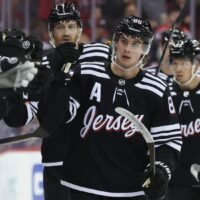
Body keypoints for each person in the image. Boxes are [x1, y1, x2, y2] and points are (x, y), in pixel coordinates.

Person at [40, 15, 182, 200]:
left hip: (132, 190)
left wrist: (161, 170)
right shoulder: (86, 74)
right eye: (124, 41)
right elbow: (60, 117)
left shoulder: (156, 89)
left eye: (136, 44)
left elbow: (169, 140)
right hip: (82, 187)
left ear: (145, 50)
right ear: (115, 42)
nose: (127, 49)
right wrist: (57, 82)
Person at [4, 2, 111, 200]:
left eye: (71, 26)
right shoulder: (41, 64)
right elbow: (24, 115)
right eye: (60, 27)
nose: (66, 32)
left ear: (80, 30)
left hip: (96, 161)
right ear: (51, 33)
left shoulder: (100, 54)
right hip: (57, 162)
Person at [165, 39, 200, 200]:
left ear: (197, 64)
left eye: (184, 63)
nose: (178, 69)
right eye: (175, 63)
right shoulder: (164, 93)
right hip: (176, 180)